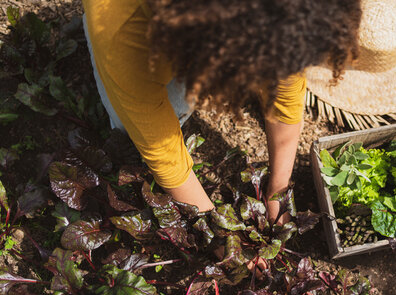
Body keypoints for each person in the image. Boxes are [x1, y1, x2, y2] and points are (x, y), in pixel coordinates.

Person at [82, 0, 361, 223]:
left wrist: (279, 189)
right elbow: (164, 156)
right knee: (138, 122)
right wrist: (223, 238)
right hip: (132, 29)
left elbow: (287, 92)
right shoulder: (125, 35)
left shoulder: (289, 12)